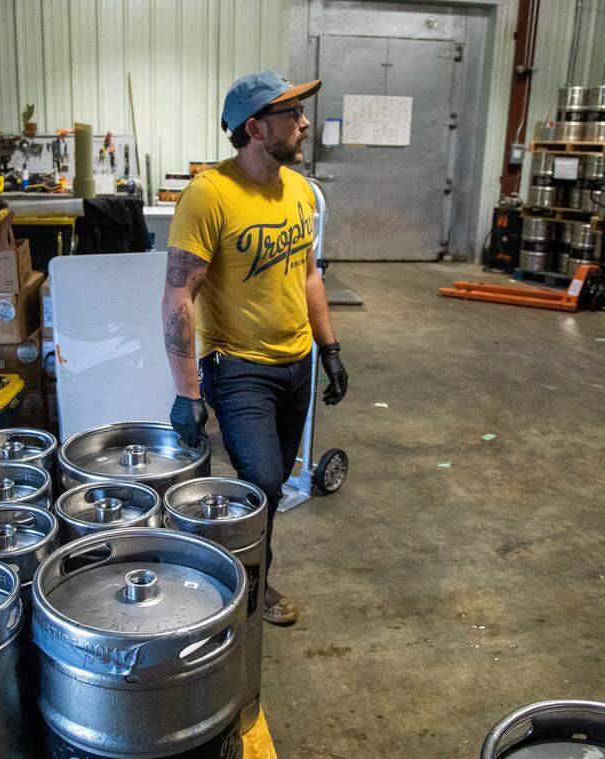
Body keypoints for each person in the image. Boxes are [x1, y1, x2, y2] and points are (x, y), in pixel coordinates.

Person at [161, 70, 348, 626]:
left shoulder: (299, 191)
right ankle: (242, 582)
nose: (305, 123)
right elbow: (178, 294)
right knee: (262, 483)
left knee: (275, 485)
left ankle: (245, 568)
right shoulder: (209, 194)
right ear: (256, 127)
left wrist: (330, 348)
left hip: (297, 364)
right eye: (293, 115)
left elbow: (309, 276)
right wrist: (186, 392)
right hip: (239, 367)